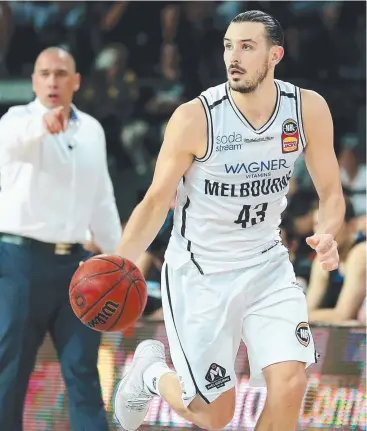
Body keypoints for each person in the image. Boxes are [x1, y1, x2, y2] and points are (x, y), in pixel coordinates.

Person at [112, 11, 344, 431]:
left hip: (266, 264)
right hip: (202, 272)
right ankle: (149, 373)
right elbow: (155, 201)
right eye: (228, 46)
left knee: (290, 385)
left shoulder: (307, 109)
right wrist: (117, 263)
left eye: (247, 47)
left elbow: (331, 193)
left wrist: (327, 232)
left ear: (275, 55)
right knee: (215, 416)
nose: (233, 57)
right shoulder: (195, 117)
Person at [0, 47, 121, 430]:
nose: (53, 81)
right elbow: (12, 142)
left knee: (83, 369)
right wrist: (43, 125)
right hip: (18, 263)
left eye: (61, 73)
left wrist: (121, 261)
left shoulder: (92, 130)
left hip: (75, 267)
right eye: (45, 73)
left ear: (76, 81)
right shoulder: (15, 120)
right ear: (34, 80)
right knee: (10, 370)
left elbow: (102, 199)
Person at [307, 198, 366, 324]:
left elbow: (343, 315)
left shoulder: (360, 252)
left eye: (328, 224)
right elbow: (306, 309)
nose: (320, 232)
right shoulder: (321, 258)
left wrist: (306, 316)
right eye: (317, 224)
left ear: (352, 225)